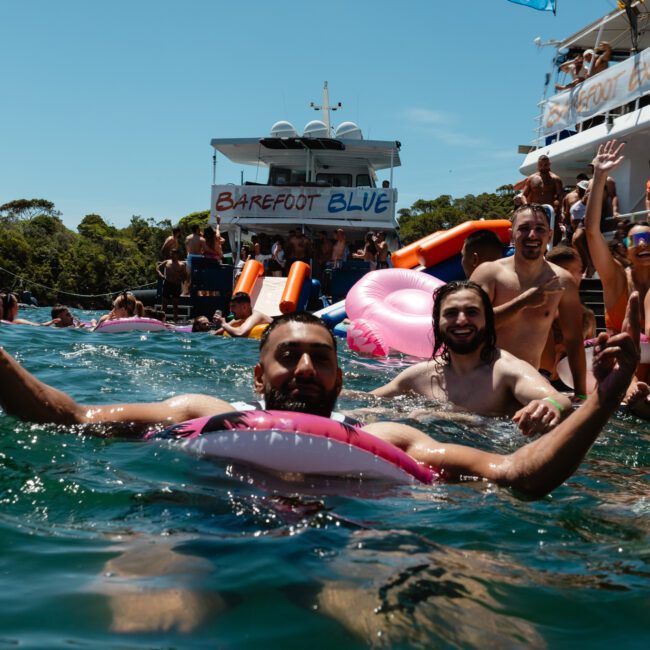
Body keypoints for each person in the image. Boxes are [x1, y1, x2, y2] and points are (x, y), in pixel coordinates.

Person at [0, 305, 641, 499]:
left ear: (339, 381)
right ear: (258, 376)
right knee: (145, 613)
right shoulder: (194, 409)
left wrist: (601, 403)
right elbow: (68, 416)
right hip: (206, 528)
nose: (305, 368)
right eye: (287, 356)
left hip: (345, 542)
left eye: (321, 359)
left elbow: (514, 475)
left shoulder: (392, 437)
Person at [370, 282, 571, 435]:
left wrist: (552, 405)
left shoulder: (506, 370)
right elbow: (367, 400)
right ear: (437, 321)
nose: (461, 320)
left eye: (472, 312)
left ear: (487, 320)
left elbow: (560, 399)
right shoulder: (420, 375)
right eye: (451, 313)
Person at [471, 204, 587, 398]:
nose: (532, 235)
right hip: (481, 379)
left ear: (549, 235)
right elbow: (471, 326)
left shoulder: (563, 281)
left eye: (540, 229)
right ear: (511, 234)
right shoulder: (489, 273)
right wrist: (522, 302)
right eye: (524, 228)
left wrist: (581, 394)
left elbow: (574, 340)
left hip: (526, 384)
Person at [522, 155, 564, 244]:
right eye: (541, 165)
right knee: (534, 232)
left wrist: (556, 208)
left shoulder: (555, 179)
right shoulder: (531, 178)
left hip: (550, 211)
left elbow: (559, 196)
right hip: (534, 211)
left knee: (555, 233)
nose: (543, 167)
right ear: (538, 165)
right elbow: (523, 195)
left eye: (545, 164)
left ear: (549, 164)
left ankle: (552, 253)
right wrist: (527, 206)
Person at [570, 180, 595, 278]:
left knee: (577, 240)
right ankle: (588, 267)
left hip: (584, 228)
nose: (578, 190)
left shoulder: (591, 203)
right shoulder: (577, 204)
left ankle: (589, 266)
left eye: (581, 189)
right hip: (577, 230)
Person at [157, 250, 188, 322]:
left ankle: (175, 321)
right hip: (167, 284)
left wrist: (182, 278)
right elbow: (158, 267)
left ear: (177, 255)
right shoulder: (167, 262)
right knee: (164, 304)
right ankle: (160, 320)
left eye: (173, 254)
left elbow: (185, 276)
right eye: (171, 254)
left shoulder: (182, 265)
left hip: (176, 285)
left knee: (175, 305)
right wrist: (160, 274)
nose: (171, 255)